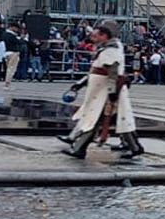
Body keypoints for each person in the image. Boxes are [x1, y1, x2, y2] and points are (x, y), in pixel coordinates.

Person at [58, 20, 143, 159]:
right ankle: (134, 147)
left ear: (105, 35)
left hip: (106, 92)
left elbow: (112, 74)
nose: (93, 37)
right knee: (120, 119)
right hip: (102, 91)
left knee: (95, 119)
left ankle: (79, 148)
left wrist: (112, 92)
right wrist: (79, 85)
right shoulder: (107, 48)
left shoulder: (111, 50)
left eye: (97, 35)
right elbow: (95, 71)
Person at [1, 21, 20, 89]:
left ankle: (8, 83)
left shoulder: (4, 34)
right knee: (11, 69)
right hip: (13, 52)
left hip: (7, 52)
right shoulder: (11, 35)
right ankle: (7, 83)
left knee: (9, 68)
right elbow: (18, 42)